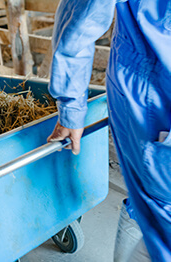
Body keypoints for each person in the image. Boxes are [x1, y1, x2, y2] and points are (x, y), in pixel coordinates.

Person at [47, 0, 171, 261]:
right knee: (157, 212)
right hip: (154, 100)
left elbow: (81, 19)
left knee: (155, 211)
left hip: (151, 98)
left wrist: (72, 108)